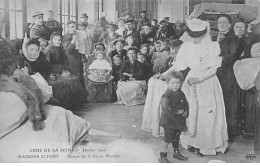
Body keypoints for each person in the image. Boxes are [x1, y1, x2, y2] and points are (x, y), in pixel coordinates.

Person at [143, 19, 228, 157]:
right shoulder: (186, 47)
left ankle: (206, 146)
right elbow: (179, 65)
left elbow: (214, 69)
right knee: (191, 112)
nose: (195, 39)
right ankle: (192, 143)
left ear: (204, 34)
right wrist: (164, 75)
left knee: (206, 114)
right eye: (192, 36)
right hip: (191, 81)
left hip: (207, 82)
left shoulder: (213, 46)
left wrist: (199, 79)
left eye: (198, 36)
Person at [212, 14, 240, 140]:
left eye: (224, 22)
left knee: (227, 100)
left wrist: (217, 59)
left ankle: (229, 132)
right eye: (219, 23)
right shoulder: (213, 38)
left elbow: (232, 55)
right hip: (215, 72)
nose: (221, 25)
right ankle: (218, 130)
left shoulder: (234, 38)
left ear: (230, 24)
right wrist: (216, 43)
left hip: (228, 73)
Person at [45, 32, 87, 109]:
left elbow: (65, 61)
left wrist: (66, 70)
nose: (58, 42)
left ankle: (77, 103)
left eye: (59, 40)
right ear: (52, 40)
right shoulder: (48, 50)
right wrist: (51, 74)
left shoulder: (61, 49)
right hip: (53, 72)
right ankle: (67, 105)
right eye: (56, 40)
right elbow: (47, 65)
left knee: (75, 79)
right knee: (67, 82)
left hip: (61, 70)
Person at [159, 71, 188, 163]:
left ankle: (176, 153)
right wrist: (178, 111)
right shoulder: (166, 95)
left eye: (178, 83)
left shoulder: (181, 93)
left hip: (178, 120)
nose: (176, 85)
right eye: (173, 83)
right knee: (167, 139)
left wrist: (186, 111)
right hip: (169, 121)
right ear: (167, 83)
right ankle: (162, 156)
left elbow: (185, 104)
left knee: (176, 137)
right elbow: (166, 108)